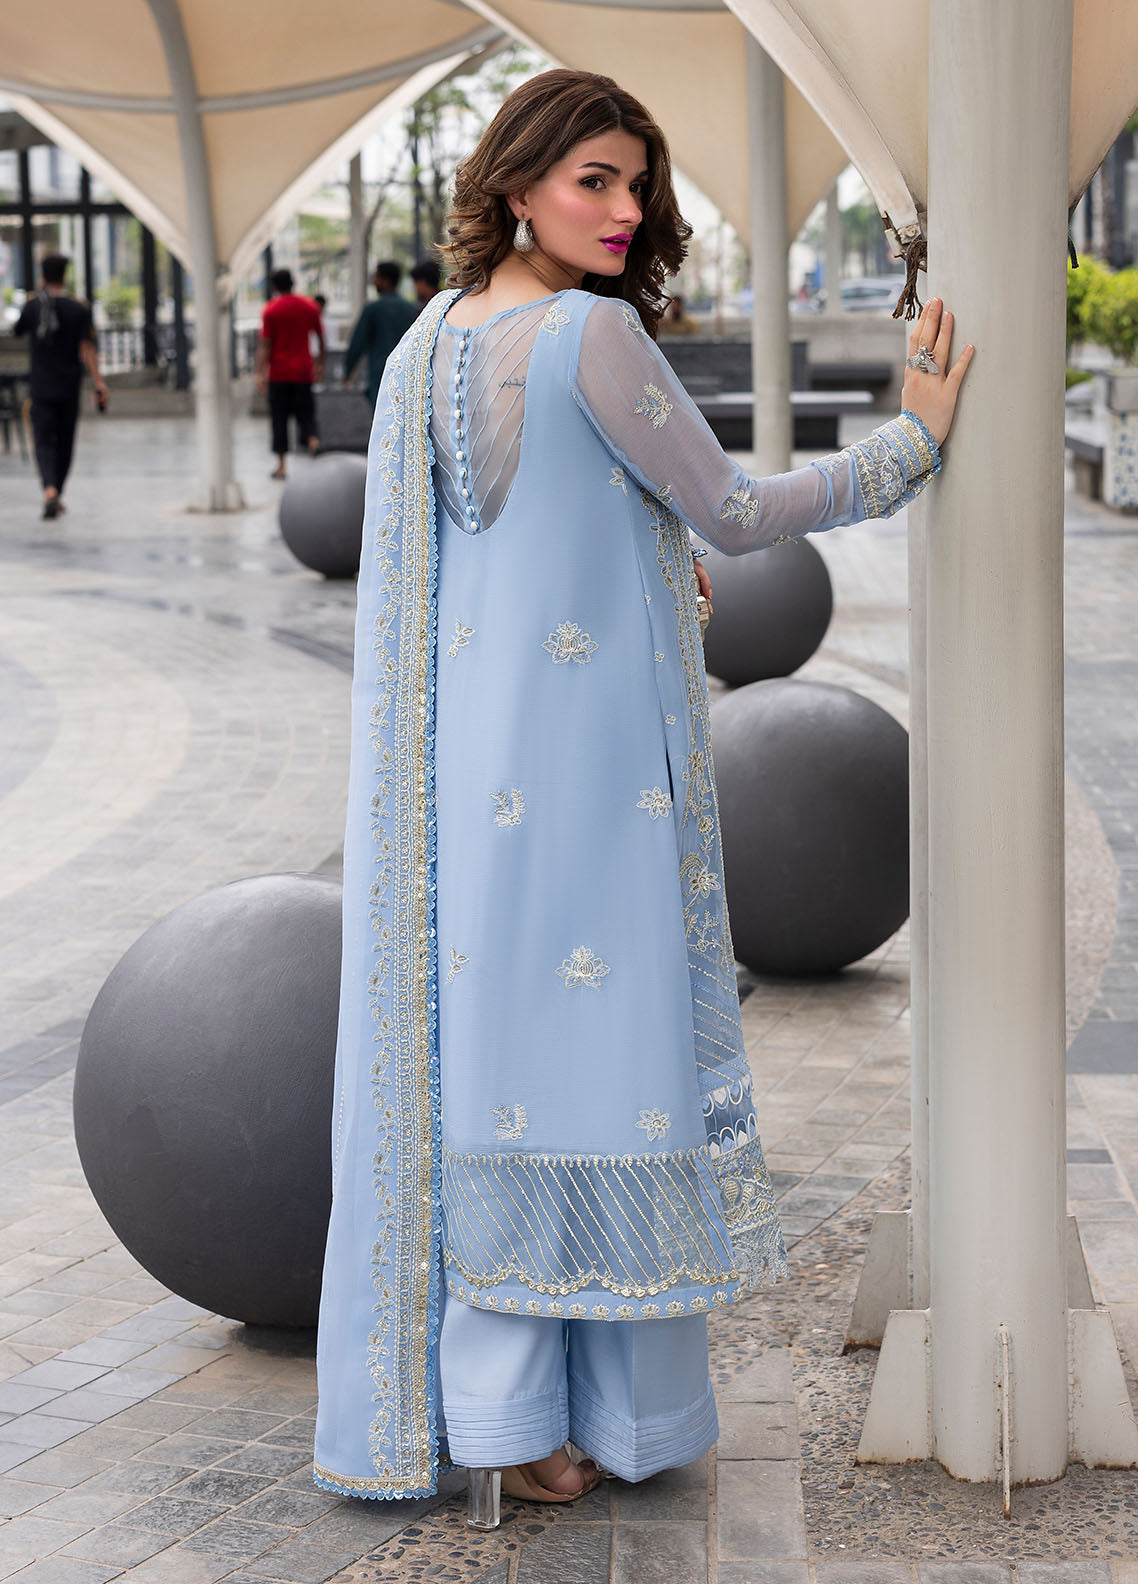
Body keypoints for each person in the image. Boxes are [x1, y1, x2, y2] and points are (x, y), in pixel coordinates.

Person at [314, 69, 972, 1516]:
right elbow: (730, 511)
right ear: (518, 183)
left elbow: (518, 543)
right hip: (589, 779)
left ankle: (501, 1413)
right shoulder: (589, 334)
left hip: (464, 781)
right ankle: (587, 1419)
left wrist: (638, 565)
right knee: (601, 1073)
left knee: (497, 1072)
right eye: (592, 180)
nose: (621, 211)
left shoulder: (429, 342)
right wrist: (907, 449)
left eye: (635, 185)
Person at [14, 254, 108, 520]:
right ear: (65, 276)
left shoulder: (33, 307)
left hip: (40, 387)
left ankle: (49, 489)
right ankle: (57, 491)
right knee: (65, 441)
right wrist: (99, 382)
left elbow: (18, 330)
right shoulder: (78, 309)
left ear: (43, 276)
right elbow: (87, 348)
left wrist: (38, 295)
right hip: (68, 386)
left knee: (43, 440)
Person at [255, 268, 324, 480]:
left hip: (279, 373)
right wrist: (319, 364)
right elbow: (321, 338)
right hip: (303, 371)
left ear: (274, 286)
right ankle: (312, 441)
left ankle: (281, 466)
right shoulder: (309, 306)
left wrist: (259, 373)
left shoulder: (271, 309)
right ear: (293, 282)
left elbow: (265, 345)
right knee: (306, 412)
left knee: (279, 419)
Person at [342, 261, 417, 407]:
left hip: (380, 374)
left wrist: (348, 370)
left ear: (385, 280)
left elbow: (358, 342)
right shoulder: (411, 309)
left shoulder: (373, 309)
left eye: (376, 277)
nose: (374, 281)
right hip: (407, 375)